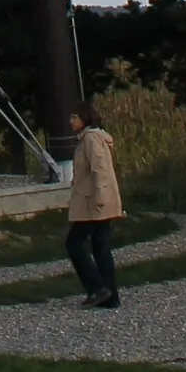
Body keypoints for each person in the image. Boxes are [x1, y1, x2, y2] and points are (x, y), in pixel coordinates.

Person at [65, 101, 124, 307]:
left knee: (73, 243)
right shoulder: (90, 139)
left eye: (74, 117)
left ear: (85, 118)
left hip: (94, 203)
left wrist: (100, 198)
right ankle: (110, 298)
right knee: (101, 248)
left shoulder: (91, 140)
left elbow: (100, 170)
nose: (71, 121)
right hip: (99, 202)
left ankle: (97, 288)